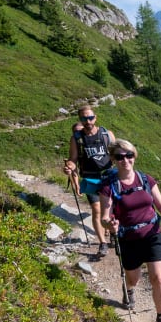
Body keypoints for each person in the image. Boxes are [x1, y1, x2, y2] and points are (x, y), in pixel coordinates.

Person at [100, 139, 161, 322]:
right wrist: (109, 225)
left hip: (152, 233)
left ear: (134, 156)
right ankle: (129, 289)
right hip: (128, 238)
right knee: (133, 278)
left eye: (129, 155)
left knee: (158, 277)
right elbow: (104, 216)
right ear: (113, 159)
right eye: (119, 157)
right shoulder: (109, 187)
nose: (125, 160)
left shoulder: (145, 179)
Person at [63, 105, 115, 257]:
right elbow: (73, 159)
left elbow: (115, 153)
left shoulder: (107, 134)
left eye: (90, 117)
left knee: (111, 209)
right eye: (84, 118)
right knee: (97, 209)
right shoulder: (76, 139)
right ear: (80, 119)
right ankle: (102, 243)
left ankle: (112, 232)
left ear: (95, 117)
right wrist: (70, 167)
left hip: (108, 176)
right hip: (90, 178)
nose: (88, 121)